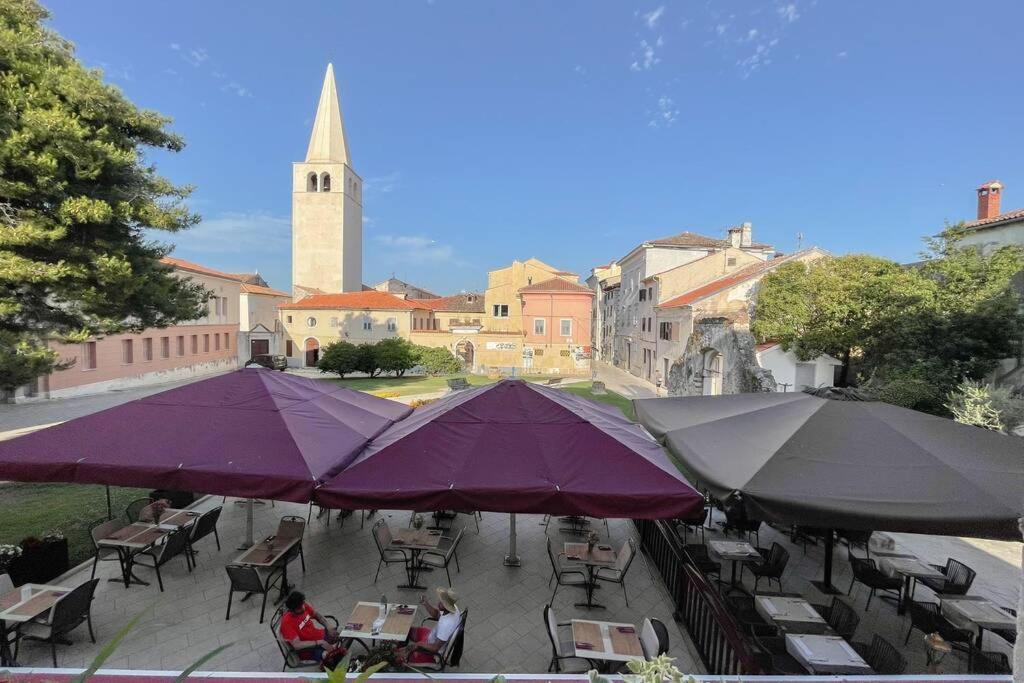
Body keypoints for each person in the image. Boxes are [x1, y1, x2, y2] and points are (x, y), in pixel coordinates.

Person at [398, 587, 462, 664]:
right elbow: (437, 615)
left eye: (442, 603)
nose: (439, 603)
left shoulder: (446, 625)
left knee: (397, 656)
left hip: (431, 653)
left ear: (447, 606)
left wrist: (418, 644)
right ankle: (401, 645)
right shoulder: (453, 608)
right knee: (404, 630)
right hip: (430, 636)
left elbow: (435, 648)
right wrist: (426, 604)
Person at [278, 591, 339, 663]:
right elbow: (297, 645)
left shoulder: (302, 605)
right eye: (300, 607)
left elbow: (317, 615)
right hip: (309, 650)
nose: (303, 608)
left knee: (344, 633)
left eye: (302, 604)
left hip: (319, 635)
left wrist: (328, 626)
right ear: (292, 610)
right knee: (331, 658)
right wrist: (320, 642)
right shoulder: (286, 623)